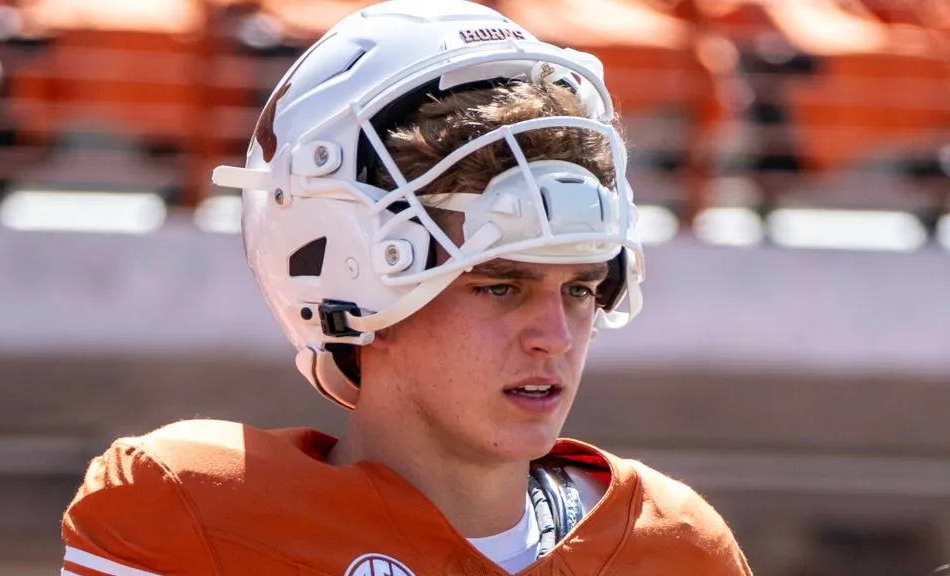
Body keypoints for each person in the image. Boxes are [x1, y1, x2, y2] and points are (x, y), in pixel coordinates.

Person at [60, 1, 753, 574]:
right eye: (500, 286)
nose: (555, 337)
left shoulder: (676, 548)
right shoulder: (193, 513)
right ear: (358, 285)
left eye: (578, 289)